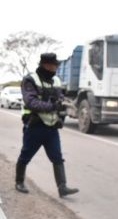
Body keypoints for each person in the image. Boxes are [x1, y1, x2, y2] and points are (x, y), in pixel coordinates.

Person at [15, 53, 79, 197]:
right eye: (53, 65)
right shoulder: (30, 79)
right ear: (44, 65)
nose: (55, 67)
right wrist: (52, 106)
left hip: (51, 127)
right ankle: (19, 182)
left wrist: (62, 105)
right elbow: (30, 102)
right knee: (25, 155)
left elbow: (60, 98)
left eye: (56, 65)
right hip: (34, 126)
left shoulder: (56, 80)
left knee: (57, 157)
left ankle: (62, 187)